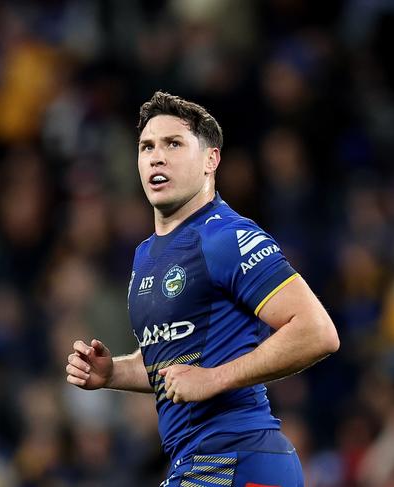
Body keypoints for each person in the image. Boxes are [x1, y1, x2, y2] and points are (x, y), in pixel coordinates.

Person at [66, 91, 339, 487]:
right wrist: (114, 373)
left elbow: (317, 332)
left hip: (236, 457)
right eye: (147, 147)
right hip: (199, 461)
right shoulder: (145, 256)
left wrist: (215, 379)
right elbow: (175, 364)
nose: (156, 156)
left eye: (173, 144)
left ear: (211, 160)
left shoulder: (226, 236)